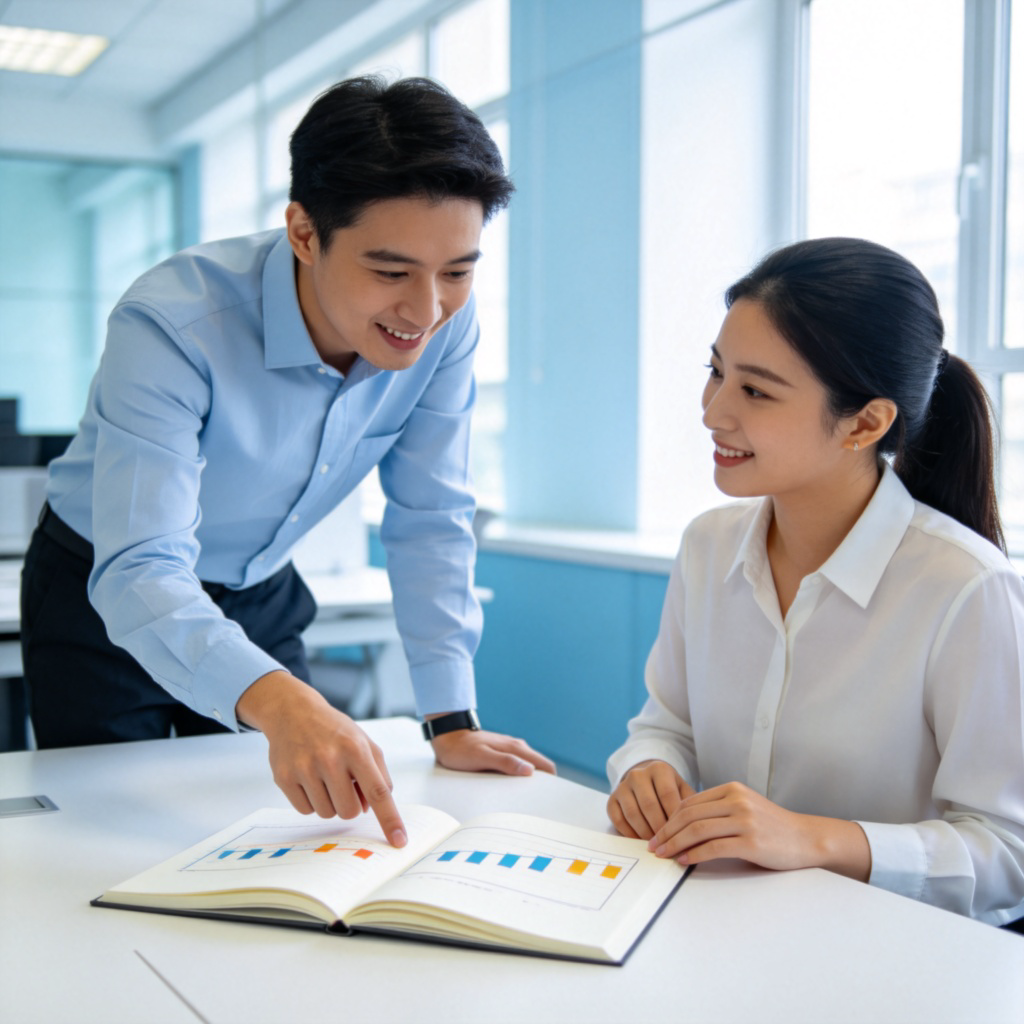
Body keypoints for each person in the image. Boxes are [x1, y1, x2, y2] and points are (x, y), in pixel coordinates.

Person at [20, 76, 554, 849]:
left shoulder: (441, 330)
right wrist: (278, 698)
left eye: (458, 272)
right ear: (304, 232)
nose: (426, 310)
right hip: (104, 590)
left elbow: (431, 516)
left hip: (259, 590)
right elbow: (142, 569)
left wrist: (448, 715)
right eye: (391, 271)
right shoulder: (174, 322)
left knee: (282, 829)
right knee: (111, 839)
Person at [606, 237, 1024, 925]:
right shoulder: (708, 547)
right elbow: (665, 725)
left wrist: (816, 839)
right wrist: (647, 769)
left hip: (900, 961)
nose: (713, 412)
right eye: (715, 373)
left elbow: (1007, 852)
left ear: (866, 422)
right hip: (729, 928)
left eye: (756, 391)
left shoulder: (966, 588)